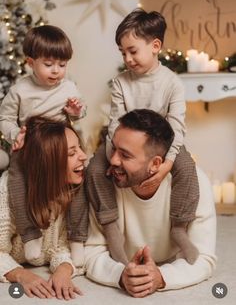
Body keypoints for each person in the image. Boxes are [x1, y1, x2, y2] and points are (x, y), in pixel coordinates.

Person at [86, 8, 199, 265]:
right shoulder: (120, 83)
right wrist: (113, 157)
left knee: (187, 167)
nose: (127, 58)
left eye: (132, 51)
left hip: (163, 144)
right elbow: (114, 123)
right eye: (122, 52)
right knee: (94, 169)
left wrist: (167, 163)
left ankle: (179, 227)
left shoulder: (172, 83)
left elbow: (177, 127)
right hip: (123, 144)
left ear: (155, 45)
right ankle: (111, 228)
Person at [84, 109, 216, 297]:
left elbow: (202, 258)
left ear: (155, 164)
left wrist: (160, 276)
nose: (113, 160)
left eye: (125, 155)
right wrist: (120, 275)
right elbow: (91, 252)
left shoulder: (196, 183)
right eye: (113, 148)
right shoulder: (102, 183)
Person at [0, 25, 88, 264]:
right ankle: (30, 235)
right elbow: (4, 118)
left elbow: (81, 110)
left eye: (62, 64)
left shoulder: (68, 87)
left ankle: (77, 237)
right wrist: (15, 134)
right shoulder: (20, 90)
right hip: (28, 146)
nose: (56, 71)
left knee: (80, 182)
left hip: (59, 147)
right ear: (30, 62)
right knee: (17, 182)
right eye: (48, 64)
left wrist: (76, 111)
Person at [0, 115, 87, 299]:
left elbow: (61, 246)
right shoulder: (7, 192)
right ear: (48, 163)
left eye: (79, 147)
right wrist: (20, 274)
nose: (83, 156)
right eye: (72, 153)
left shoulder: (72, 191)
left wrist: (63, 270)